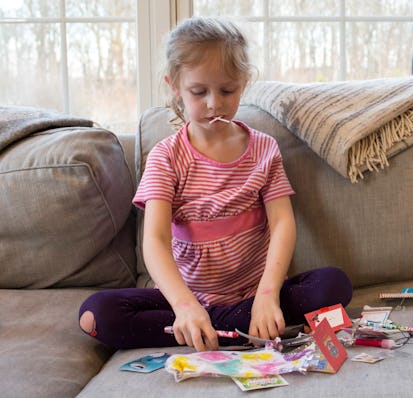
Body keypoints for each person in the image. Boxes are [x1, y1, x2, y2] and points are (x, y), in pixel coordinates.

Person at [78, 16, 353, 352]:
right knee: (95, 315)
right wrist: (184, 306)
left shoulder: (264, 148)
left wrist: (267, 296)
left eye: (227, 90)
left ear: (244, 82)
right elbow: (155, 239)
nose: (214, 103)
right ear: (175, 86)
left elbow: (282, 223)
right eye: (199, 91)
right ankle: (218, 325)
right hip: (186, 299)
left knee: (333, 285)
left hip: (258, 294)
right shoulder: (166, 157)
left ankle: (229, 326)